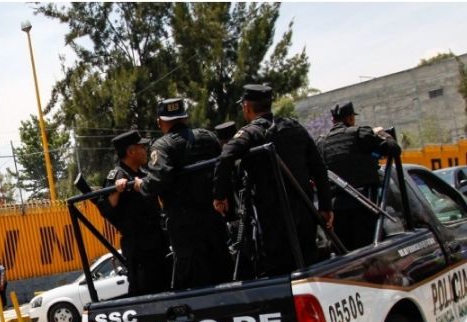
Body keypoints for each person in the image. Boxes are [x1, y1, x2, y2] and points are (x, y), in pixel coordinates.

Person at [213, 84, 332, 276]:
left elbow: (225, 157)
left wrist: (219, 197)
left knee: (279, 274)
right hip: (304, 213)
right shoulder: (295, 127)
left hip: (273, 219)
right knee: (309, 267)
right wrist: (326, 207)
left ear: (247, 107)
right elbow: (319, 168)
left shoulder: (251, 133)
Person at [143, 98, 232, 289]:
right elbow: (224, 170)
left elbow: (156, 181)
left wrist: (139, 185)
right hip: (214, 221)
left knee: (194, 285)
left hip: (186, 229)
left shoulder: (162, 145)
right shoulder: (208, 137)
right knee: (224, 276)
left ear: (160, 121)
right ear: (185, 117)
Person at [316, 101, 401, 251]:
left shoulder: (322, 142)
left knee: (346, 255)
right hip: (364, 205)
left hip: (337, 210)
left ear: (333, 121)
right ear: (349, 119)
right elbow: (394, 149)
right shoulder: (360, 134)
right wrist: (383, 134)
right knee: (368, 251)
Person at [96, 130, 172, 296]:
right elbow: (105, 209)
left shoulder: (143, 174)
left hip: (157, 240)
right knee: (143, 288)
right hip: (139, 245)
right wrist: (117, 190)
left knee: (165, 284)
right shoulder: (118, 175)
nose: (146, 150)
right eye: (142, 147)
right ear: (131, 152)